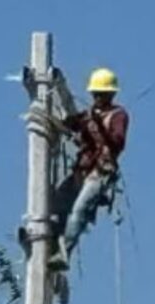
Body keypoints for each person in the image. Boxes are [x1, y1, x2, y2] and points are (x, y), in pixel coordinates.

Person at [51, 66, 129, 262]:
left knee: (80, 209)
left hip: (100, 172)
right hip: (82, 170)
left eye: (101, 94)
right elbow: (71, 124)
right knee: (56, 203)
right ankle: (50, 243)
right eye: (95, 94)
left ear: (111, 94)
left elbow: (117, 142)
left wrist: (99, 126)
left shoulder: (118, 115)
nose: (97, 98)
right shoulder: (88, 115)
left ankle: (63, 254)